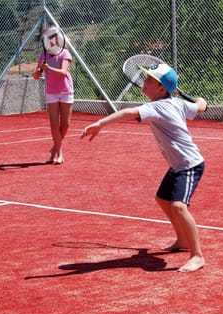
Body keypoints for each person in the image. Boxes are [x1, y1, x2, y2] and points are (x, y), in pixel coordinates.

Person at [81, 63, 207, 272]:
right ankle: (182, 241)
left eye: (149, 80)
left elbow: (129, 112)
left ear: (161, 88)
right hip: (179, 165)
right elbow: (199, 107)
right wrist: (202, 101)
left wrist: (101, 123)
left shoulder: (156, 107)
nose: (144, 82)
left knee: (178, 206)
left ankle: (197, 256)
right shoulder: (177, 103)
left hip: (189, 165)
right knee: (162, 200)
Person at [33, 26, 74, 164]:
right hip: (51, 92)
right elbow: (36, 76)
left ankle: (54, 149)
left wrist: (48, 68)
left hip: (66, 91)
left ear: (59, 38)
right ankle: (59, 154)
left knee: (65, 125)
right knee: (54, 124)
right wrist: (39, 71)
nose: (50, 40)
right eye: (48, 37)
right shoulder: (43, 56)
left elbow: (63, 72)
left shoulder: (65, 53)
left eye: (52, 36)